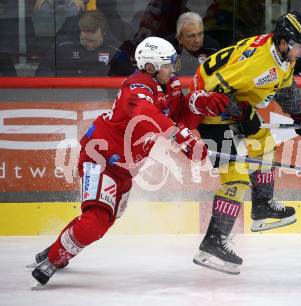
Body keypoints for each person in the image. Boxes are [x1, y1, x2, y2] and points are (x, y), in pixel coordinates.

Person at [30, 36, 211, 286]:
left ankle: (54, 249)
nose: (172, 70)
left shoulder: (169, 84)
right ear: (150, 67)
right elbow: (147, 115)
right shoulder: (136, 86)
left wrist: (200, 105)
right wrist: (182, 138)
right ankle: (51, 260)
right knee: (95, 219)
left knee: (103, 223)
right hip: (101, 156)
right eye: (167, 65)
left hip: (124, 168)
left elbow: (179, 113)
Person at [187, 10, 301, 275]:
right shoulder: (258, 63)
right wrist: (241, 113)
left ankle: (262, 206)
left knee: (264, 141)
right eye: (299, 49)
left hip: (232, 103)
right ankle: (213, 241)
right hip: (210, 113)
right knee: (236, 180)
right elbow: (212, 92)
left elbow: (284, 85)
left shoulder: (282, 53)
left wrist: (300, 114)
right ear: (283, 42)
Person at [35, 10, 120, 76]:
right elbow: (43, 69)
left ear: (103, 33)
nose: (90, 45)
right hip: (66, 94)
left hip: (102, 95)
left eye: (94, 41)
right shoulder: (63, 46)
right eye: (85, 40)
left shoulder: (115, 49)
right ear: (80, 31)